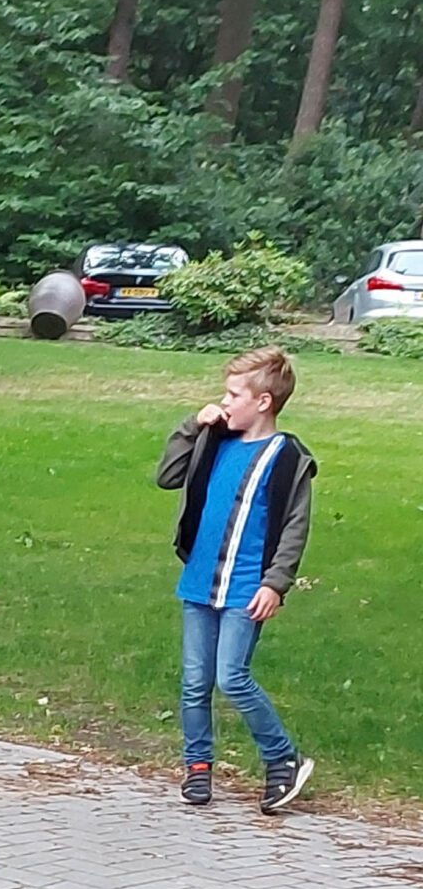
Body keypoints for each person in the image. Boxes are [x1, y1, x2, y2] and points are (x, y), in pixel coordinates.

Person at [157, 347, 315, 815]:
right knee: (194, 682)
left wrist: (275, 583)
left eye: (232, 395)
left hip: (246, 588)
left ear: (263, 402)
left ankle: (282, 759)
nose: (224, 402)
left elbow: (295, 526)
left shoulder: (286, 457)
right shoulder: (214, 441)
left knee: (232, 677)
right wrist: (193, 425)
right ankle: (197, 766)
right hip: (199, 583)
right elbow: (167, 475)